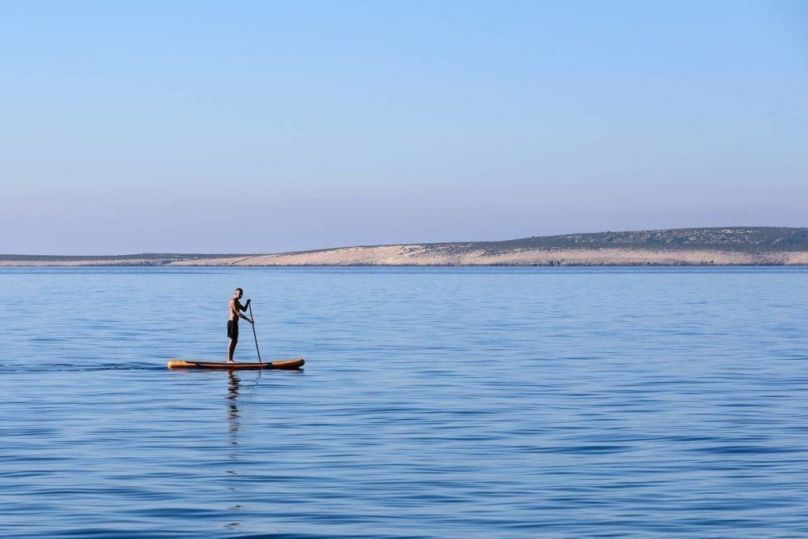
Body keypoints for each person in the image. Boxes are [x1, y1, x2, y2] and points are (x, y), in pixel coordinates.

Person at [227, 288, 254, 363]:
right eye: (239, 294)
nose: (241, 295)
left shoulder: (237, 301)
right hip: (232, 323)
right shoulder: (233, 301)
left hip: (235, 323)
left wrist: (247, 303)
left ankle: (231, 359)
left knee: (235, 341)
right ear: (235, 293)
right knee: (232, 340)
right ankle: (229, 360)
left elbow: (244, 309)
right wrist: (248, 320)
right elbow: (238, 314)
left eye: (241, 294)